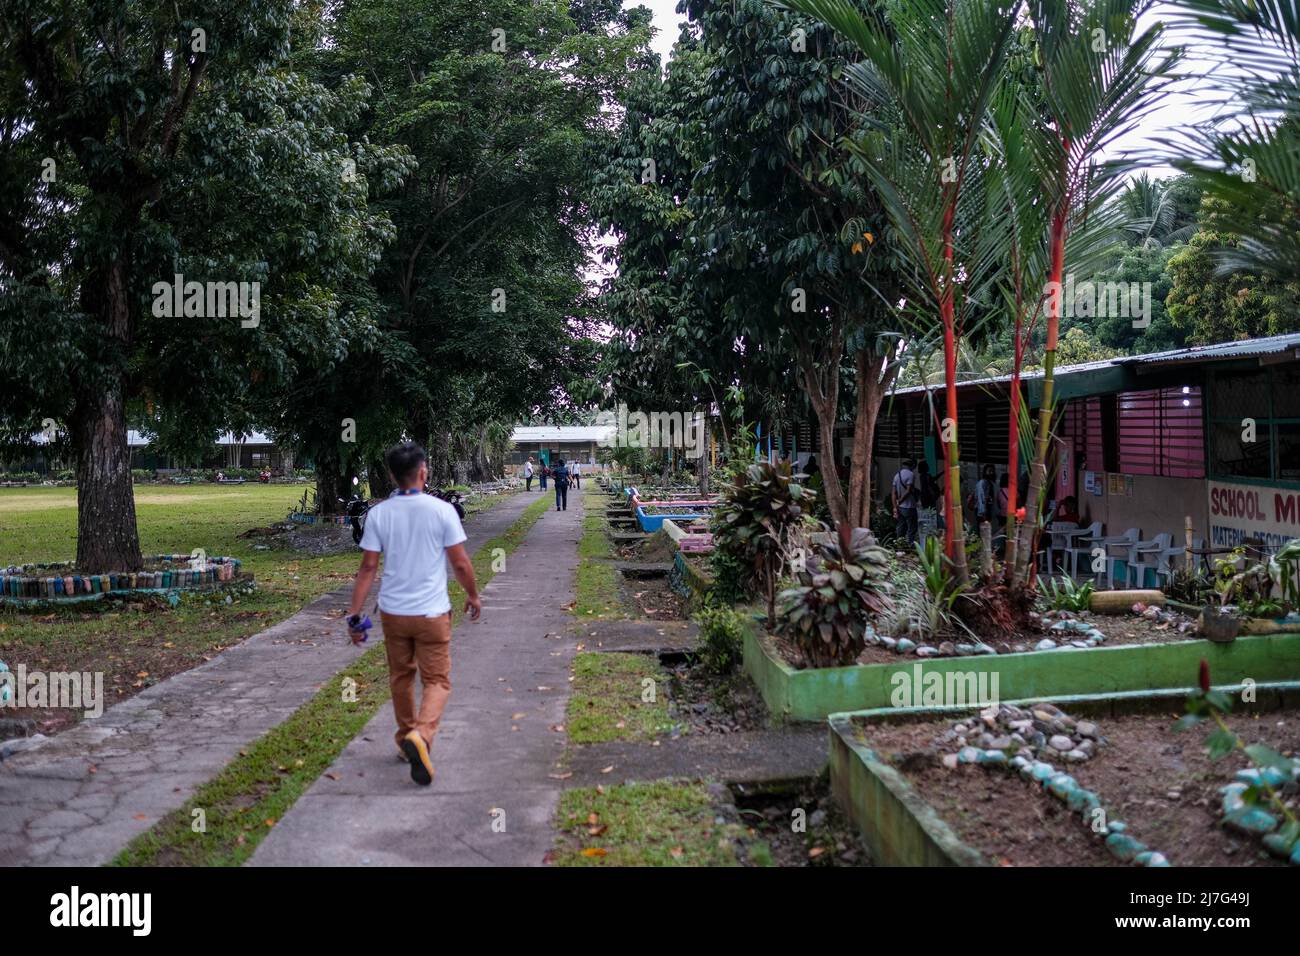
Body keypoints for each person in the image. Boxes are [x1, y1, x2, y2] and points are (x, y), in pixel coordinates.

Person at [345, 442, 482, 787]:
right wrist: (473, 595)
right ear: (424, 472)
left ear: (392, 475)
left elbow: (367, 568)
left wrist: (353, 614)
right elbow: (461, 562)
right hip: (432, 613)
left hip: (393, 612)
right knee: (436, 680)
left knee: (401, 677)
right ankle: (421, 736)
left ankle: (407, 739)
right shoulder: (442, 511)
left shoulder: (378, 514)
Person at [891, 458, 920, 545]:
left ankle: (899, 546)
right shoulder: (911, 474)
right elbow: (908, 491)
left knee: (900, 527)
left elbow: (893, 493)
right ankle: (909, 546)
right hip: (909, 506)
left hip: (900, 508)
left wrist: (895, 506)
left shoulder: (897, 475)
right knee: (912, 528)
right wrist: (900, 501)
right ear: (912, 465)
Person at [917, 459, 945, 536]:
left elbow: (933, 479)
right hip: (929, 497)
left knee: (928, 513)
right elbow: (929, 485)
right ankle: (933, 529)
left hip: (924, 498)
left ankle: (930, 528)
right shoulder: (926, 476)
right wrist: (933, 495)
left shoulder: (922, 476)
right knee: (932, 512)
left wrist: (942, 472)